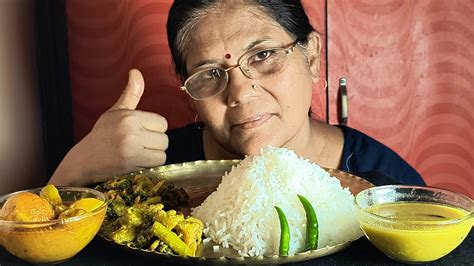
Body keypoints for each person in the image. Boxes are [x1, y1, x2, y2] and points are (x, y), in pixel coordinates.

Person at [49, 0, 425, 187]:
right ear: (188, 89)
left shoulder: (384, 184)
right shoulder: (157, 173)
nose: (240, 92)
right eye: (210, 73)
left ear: (311, 57)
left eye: (263, 55)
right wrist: (77, 167)